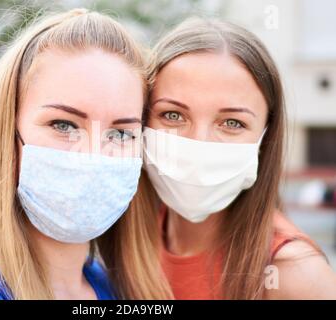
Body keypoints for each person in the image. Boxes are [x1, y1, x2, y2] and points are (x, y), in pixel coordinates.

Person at [0, 9, 172, 300]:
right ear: (8, 136)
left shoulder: (125, 291)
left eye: (121, 133)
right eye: (63, 124)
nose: (94, 154)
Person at [141, 17, 336, 299]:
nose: (199, 143)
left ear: (264, 138)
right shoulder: (128, 241)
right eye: (173, 115)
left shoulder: (295, 274)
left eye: (232, 123)